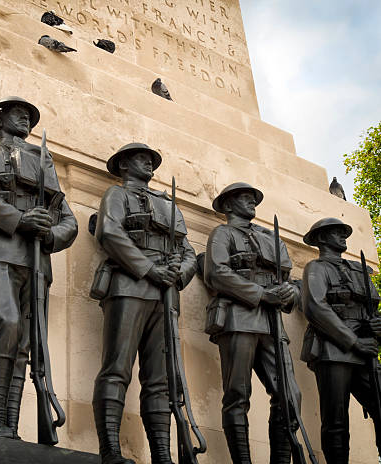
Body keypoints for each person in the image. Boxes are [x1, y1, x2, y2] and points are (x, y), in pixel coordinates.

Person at [0, 96, 78, 442]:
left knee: (25, 343)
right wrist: (19, 219)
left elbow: (68, 219)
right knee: (6, 325)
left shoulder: (44, 164)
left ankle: (8, 428)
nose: (24, 118)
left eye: (28, 115)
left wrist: (50, 232)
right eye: (16, 113)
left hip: (38, 259)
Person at [91, 143, 197, 464]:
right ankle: (110, 450)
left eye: (152, 160)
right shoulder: (117, 195)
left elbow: (188, 252)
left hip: (166, 294)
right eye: (141, 159)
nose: (149, 164)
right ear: (124, 164)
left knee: (161, 379)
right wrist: (150, 269)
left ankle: (162, 456)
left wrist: (179, 274)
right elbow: (110, 233)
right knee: (117, 368)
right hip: (129, 284)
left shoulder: (169, 205)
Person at [203, 182, 301, 464]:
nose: (251, 203)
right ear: (229, 205)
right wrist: (261, 294)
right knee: (237, 394)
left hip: (272, 323)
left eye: (252, 198)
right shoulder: (222, 234)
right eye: (244, 198)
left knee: (290, 394)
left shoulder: (272, 238)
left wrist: (289, 293)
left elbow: (290, 281)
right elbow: (217, 273)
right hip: (238, 318)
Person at [300, 217, 381, 463]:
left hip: (366, 348)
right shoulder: (316, 268)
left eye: (343, 232)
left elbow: (372, 309)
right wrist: (353, 341)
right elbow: (315, 307)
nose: (343, 236)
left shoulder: (359, 269)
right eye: (336, 233)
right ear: (322, 238)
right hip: (333, 348)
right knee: (336, 421)